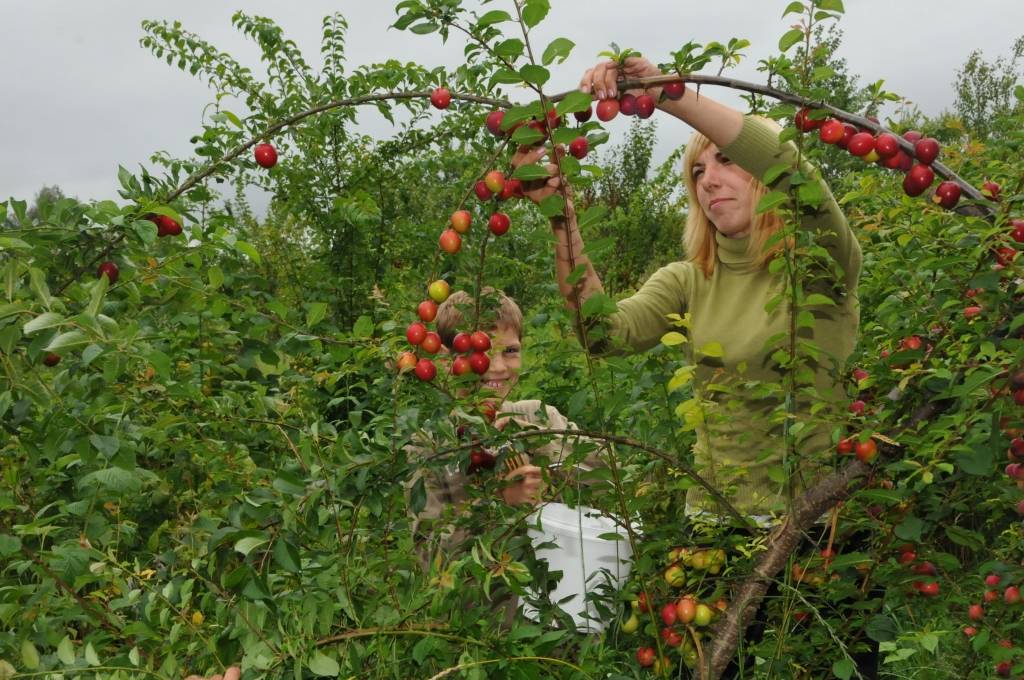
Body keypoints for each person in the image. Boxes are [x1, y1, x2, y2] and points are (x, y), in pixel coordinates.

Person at [512, 56, 870, 674]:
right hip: (715, 530)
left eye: (727, 162)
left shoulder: (818, 261)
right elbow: (603, 331)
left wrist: (666, 95)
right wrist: (560, 217)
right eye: (696, 172)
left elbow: (790, 165)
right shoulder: (688, 279)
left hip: (822, 527)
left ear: (762, 176)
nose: (709, 179)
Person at [409, 289, 608, 592]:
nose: (498, 367)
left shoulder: (540, 417)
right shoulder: (428, 446)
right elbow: (430, 556)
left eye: (511, 351)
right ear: (448, 358)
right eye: (482, 353)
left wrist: (540, 443)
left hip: (566, 606)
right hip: (487, 625)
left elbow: (612, 480)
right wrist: (498, 504)